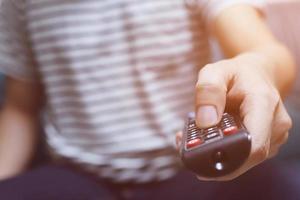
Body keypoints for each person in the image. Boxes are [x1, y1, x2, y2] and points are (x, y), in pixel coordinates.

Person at [0, 0, 297, 199]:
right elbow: (20, 106)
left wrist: (262, 69)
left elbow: (268, 53)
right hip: (78, 176)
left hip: (189, 171)